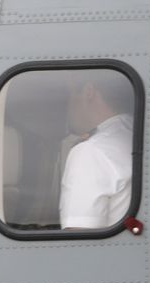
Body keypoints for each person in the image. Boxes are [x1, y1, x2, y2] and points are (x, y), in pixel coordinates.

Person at [58, 70, 135, 230]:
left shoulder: (90, 152)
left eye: (68, 95)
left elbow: (80, 239)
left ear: (88, 92)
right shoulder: (137, 134)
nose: (66, 107)